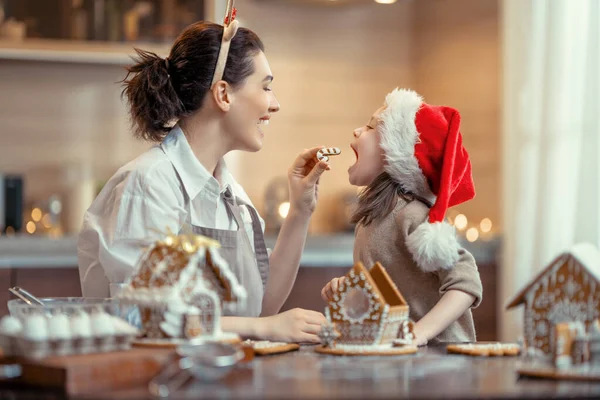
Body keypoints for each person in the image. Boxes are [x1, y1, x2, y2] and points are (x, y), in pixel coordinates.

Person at [78, 15, 329, 343]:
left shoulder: (231, 194)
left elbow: (261, 308)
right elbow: (140, 317)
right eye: (266, 86)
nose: (274, 103)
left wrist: (300, 211)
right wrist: (263, 328)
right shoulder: (148, 185)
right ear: (223, 94)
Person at [321, 88, 483, 346]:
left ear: (395, 150)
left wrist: (420, 333)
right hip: (399, 359)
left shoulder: (410, 214)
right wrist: (350, 291)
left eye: (370, 127)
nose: (357, 131)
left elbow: (466, 283)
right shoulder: (370, 220)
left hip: (442, 361)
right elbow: (387, 296)